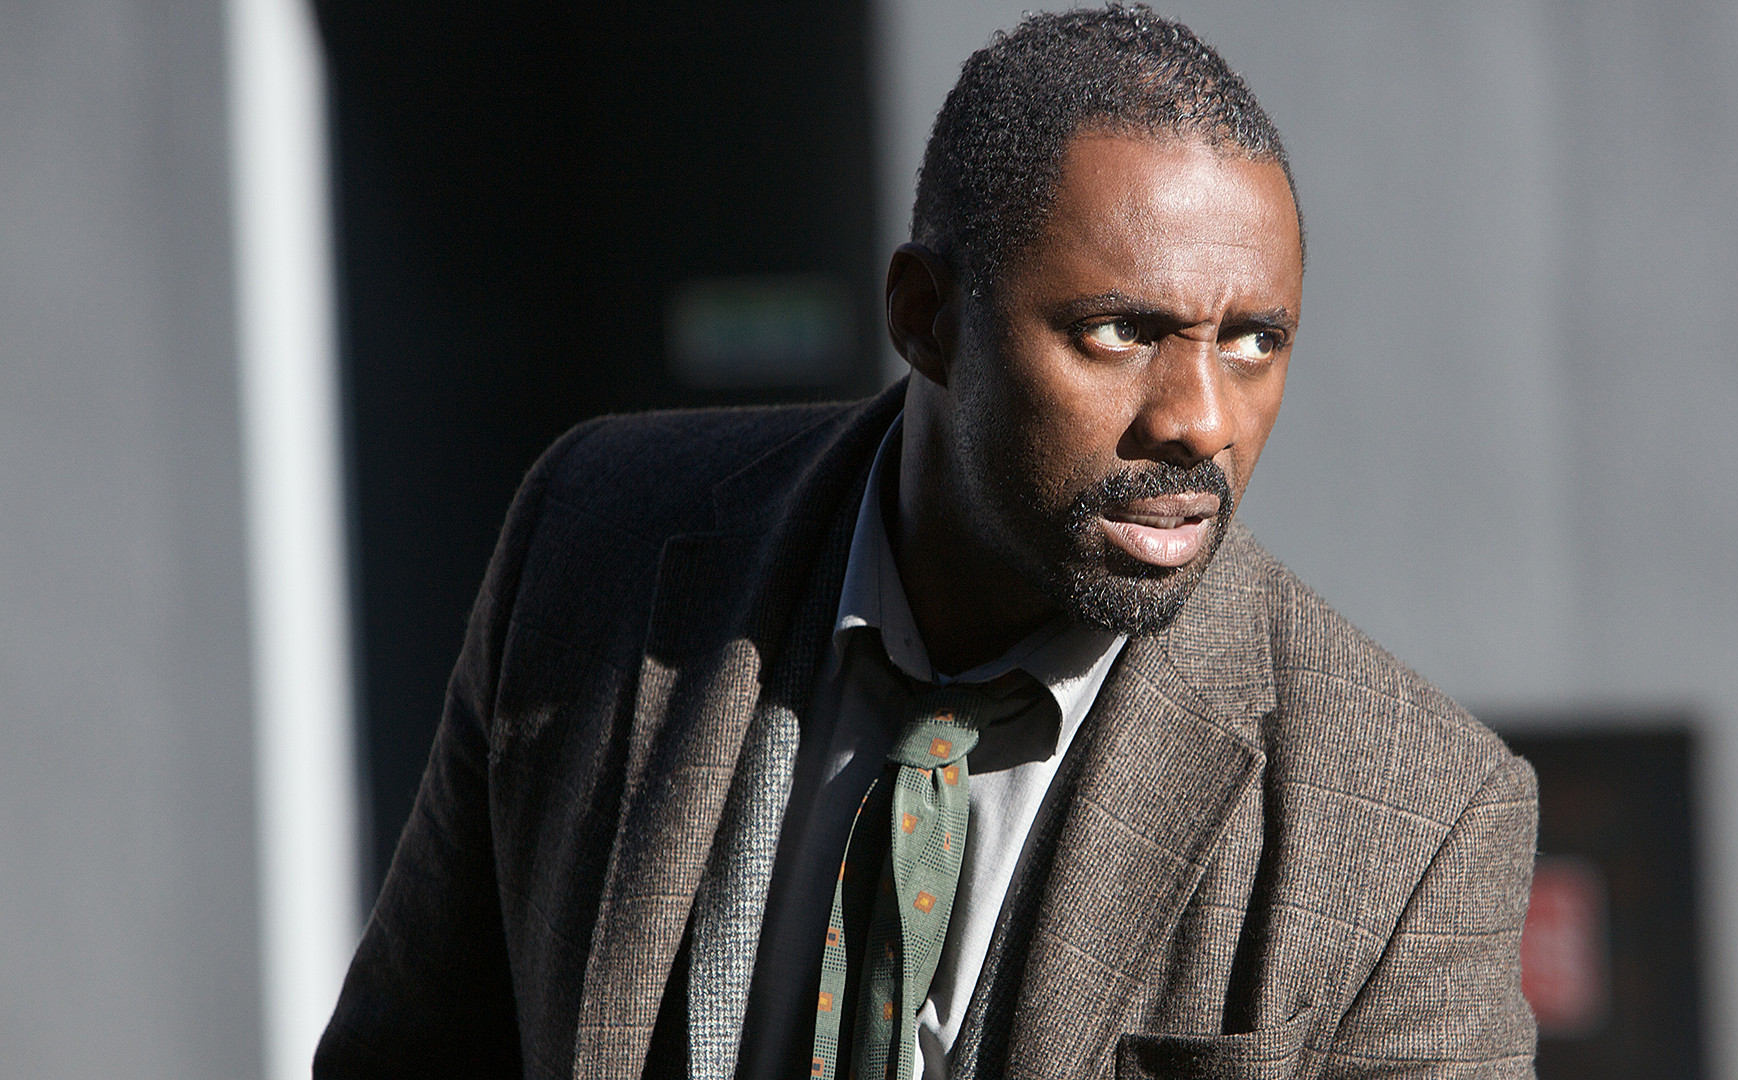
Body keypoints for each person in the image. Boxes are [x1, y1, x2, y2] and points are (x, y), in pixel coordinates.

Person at [316, 6, 1537, 1079]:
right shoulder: (601, 541)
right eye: (1120, 331)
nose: (1200, 420)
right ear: (925, 317)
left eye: (1255, 339)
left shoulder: (1411, 817)